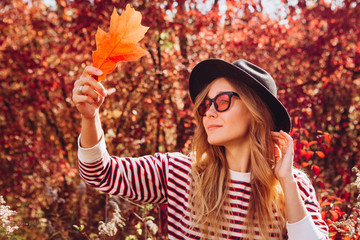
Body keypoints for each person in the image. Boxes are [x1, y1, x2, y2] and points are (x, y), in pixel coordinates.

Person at [72, 59, 329, 239]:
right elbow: (99, 173)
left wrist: (285, 179)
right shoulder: (179, 173)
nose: (210, 112)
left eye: (223, 101)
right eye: (206, 105)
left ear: (255, 112)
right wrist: (90, 117)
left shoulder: (292, 186)